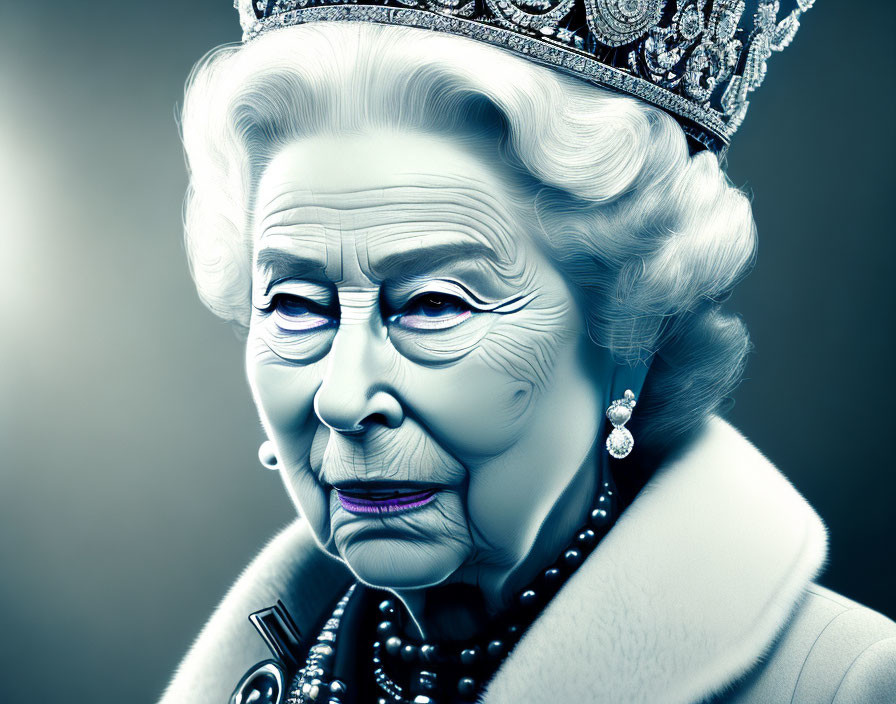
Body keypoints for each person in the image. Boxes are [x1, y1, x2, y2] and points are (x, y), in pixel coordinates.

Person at [162, 5, 896, 703]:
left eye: (433, 304)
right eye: (295, 305)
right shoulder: (265, 667)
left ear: (628, 332)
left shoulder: (843, 685)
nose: (343, 398)